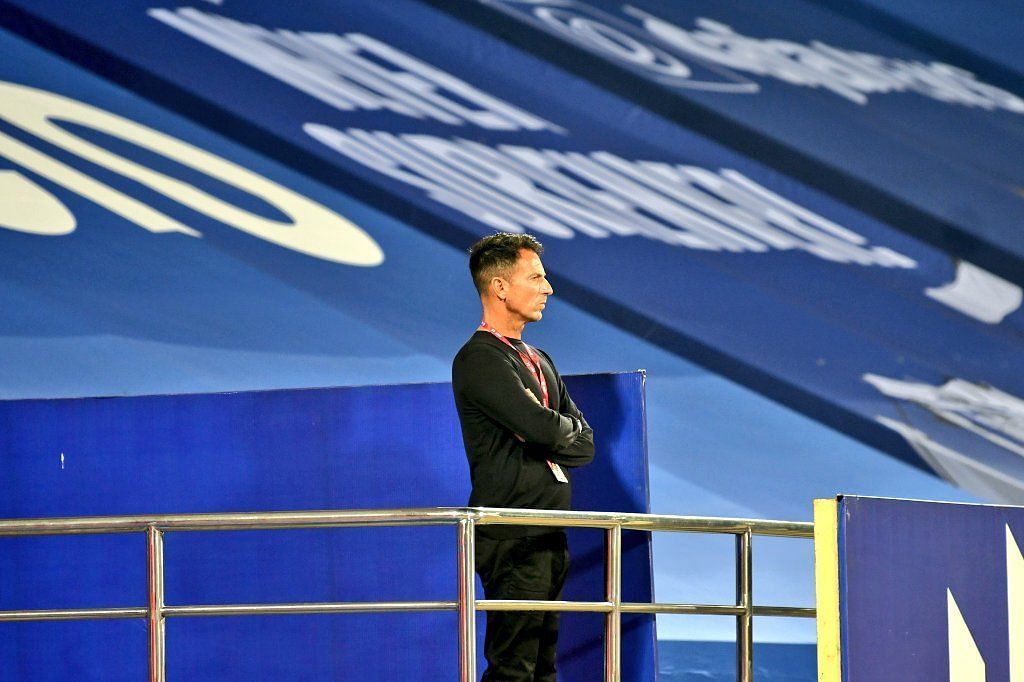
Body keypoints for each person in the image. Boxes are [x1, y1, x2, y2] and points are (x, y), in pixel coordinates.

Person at [452, 232, 595, 681]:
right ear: (499, 287)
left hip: (550, 532)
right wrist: (553, 430)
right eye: (536, 277)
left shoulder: (539, 358)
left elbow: (585, 443)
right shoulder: (480, 359)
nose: (548, 288)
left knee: (544, 667)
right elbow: (542, 427)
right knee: (513, 666)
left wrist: (555, 431)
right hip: (510, 532)